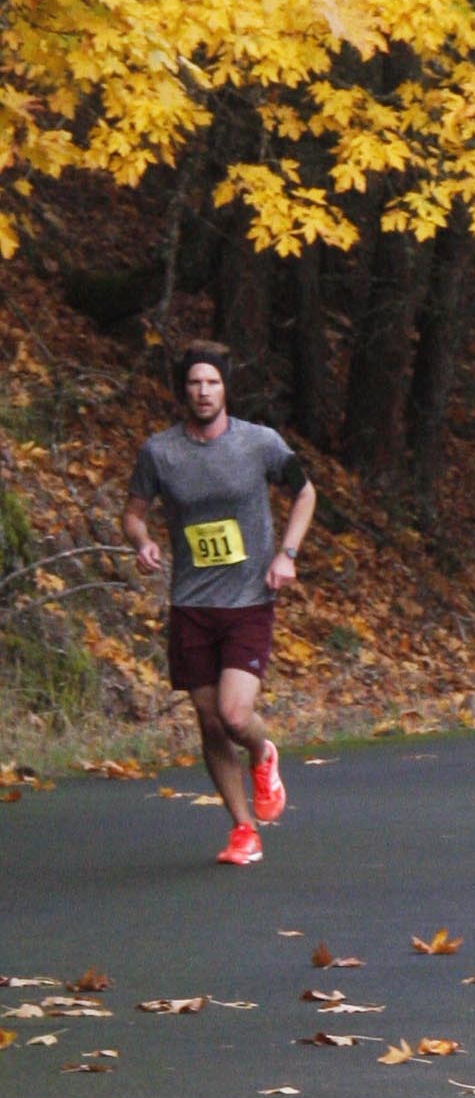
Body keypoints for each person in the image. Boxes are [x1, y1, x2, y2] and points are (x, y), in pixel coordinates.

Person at [121, 344, 314, 867]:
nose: (203, 392)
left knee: (234, 715)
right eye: (193, 383)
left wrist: (287, 554)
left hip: (250, 597)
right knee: (209, 723)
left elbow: (305, 492)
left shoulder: (260, 443)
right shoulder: (159, 453)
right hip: (191, 602)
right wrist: (141, 543)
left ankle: (262, 750)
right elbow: (134, 514)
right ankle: (243, 829)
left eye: (212, 383)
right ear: (182, 390)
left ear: (225, 388)